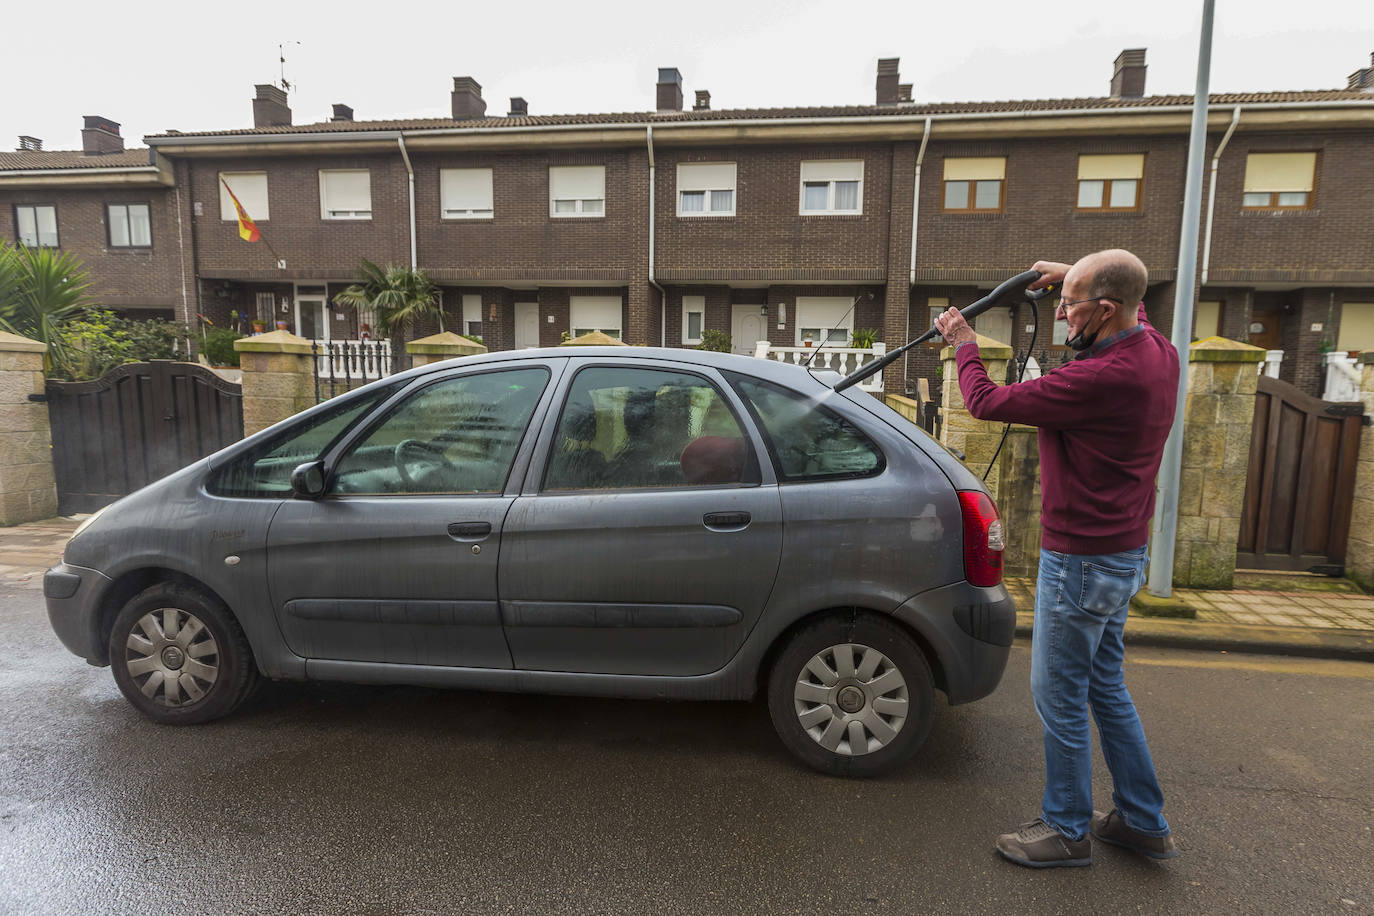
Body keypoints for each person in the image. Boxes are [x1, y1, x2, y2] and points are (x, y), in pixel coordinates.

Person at [934, 249, 1180, 869]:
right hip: (1123, 554)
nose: (1061, 313)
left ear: (1105, 310)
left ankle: (1067, 830)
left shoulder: (1097, 379)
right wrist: (1071, 272)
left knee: (1060, 696)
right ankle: (1142, 822)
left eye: (1070, 305)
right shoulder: (1158, 351)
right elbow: (1128, 293)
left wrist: (964, 338)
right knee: (1105, 687)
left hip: (1081, 561)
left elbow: (987, 401)